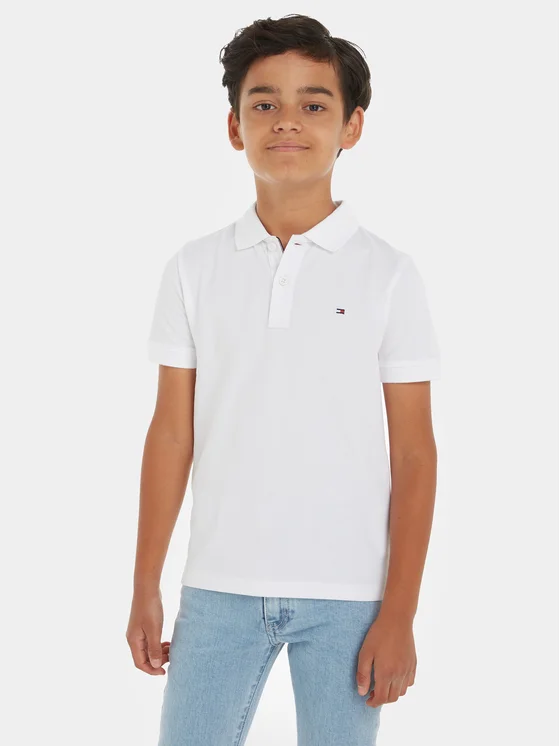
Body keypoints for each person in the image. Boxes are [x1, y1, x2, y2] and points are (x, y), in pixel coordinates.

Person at [126, 13, 441, 746]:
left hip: (349, 598)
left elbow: (414, 454)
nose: (287, 120)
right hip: (217, 591)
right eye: (264, 103)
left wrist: (399, 613)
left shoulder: (388, 274)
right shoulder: (194, 268)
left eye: (314, 103)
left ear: (351, 127)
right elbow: (171, 434)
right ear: (234, 127)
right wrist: (145, 583)